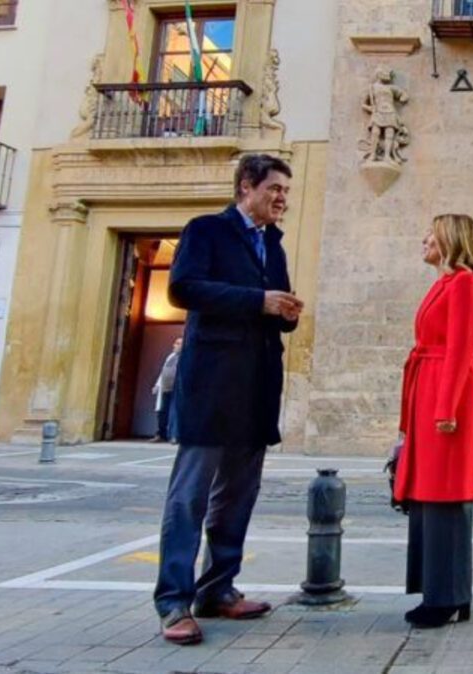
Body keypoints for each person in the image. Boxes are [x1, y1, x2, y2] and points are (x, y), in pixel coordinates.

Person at [153, 154, 304, 645]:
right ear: (246, 187)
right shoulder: (206, 230)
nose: (282, 198)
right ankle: (174, 602)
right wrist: (258, 301)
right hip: (212, 384)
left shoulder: (273, 244)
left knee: (238, 496)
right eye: (274, 189)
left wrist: (285, 313)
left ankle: (218, 589)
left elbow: (269, 302)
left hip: (256, 385)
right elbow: (183, 288)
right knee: (189, 498)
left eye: (285, 191)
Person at [392, 213, 473, 629]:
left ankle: (446, 597)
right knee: (429, 493)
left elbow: (461, 349)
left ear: (450, 238)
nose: (423, 239)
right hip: (428, 389)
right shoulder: (444, 283)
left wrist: (446, 408)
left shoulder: (465, 284)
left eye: (431, 233)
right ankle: (443, 592)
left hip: (448, 397)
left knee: (445, 493)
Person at [150, 337, 182, 443]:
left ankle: (174, 435)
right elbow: (164, 372)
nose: (175, 345)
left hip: (177, 388)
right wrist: (157, 385)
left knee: (175, 412)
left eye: (178, 343)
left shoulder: (185, 357)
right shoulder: (170, 357)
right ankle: (161, 434)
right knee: (162, 411)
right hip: (165, 388)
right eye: (175, 343)